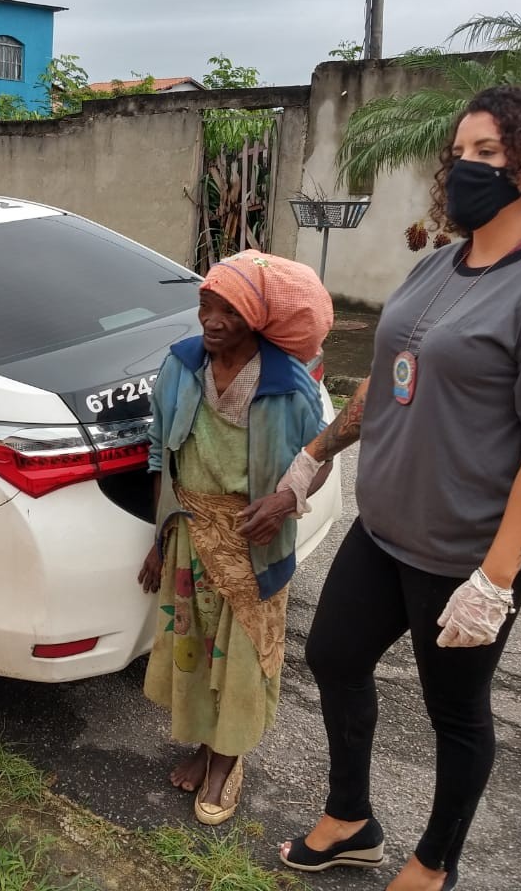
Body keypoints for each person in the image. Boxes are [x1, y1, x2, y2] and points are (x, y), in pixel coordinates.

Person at [275, 86, 521, 891]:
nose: (467, 166)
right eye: (460, 152)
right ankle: (352, 818)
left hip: (466, 551)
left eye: (489, 152)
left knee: (455, 712)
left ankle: (435, 864)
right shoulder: (437, 265)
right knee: (333, 656)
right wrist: (315, 456)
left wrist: (494, 581)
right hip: (386, 525)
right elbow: (394, 381)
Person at [139, 250, 335, 825]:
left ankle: (227, 760)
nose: (213, 320)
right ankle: (204, 747)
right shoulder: (181, 365)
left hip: (255, 541)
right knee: (198, 653)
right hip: (190, 534)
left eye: (229, 309)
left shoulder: (287, 382)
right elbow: (161, 452)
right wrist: (158, 538)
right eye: (206, 305)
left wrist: (286, 500)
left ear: (255, 318)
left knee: (242, 656)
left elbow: (317, 457)